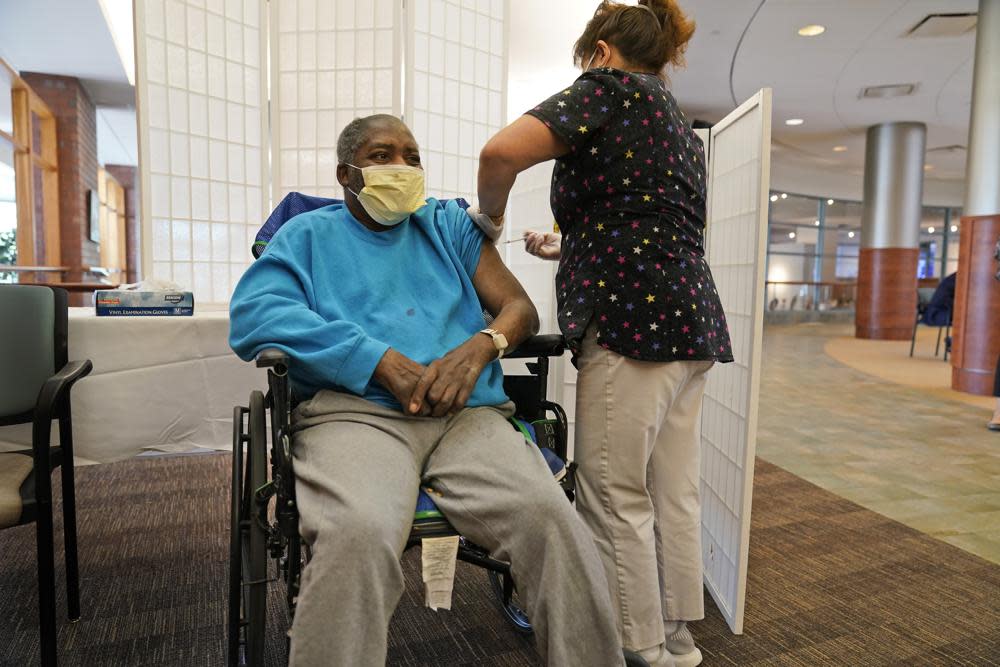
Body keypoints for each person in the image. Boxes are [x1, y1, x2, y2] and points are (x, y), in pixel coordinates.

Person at [229, 114, 627, 667]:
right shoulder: (305, 237)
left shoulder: (446, 225)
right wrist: (374, 359)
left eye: (412, 157)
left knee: (552, 521)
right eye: (383, 155)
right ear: (347, 174)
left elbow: (520, 310)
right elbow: (255, 316)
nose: (402, 167)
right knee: (358, 534)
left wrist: (482, 346)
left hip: (466, 417)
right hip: (357, 415)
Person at [476, 2, 730, 666]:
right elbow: (652, 221)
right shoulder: (675, 122)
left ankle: (633, 644)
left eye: (585, 58)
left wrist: (492, 221)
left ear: (605, 50)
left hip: (632, 323)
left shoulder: (608, 90)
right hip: (690, 319)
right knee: (673, 489)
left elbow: (499, 151)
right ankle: (675, 638)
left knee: (614, 492)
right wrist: (566, 245)